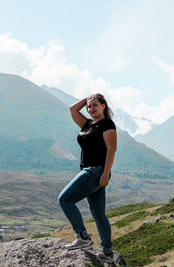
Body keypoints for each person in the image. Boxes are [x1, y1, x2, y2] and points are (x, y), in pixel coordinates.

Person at [58, 93, 117, 263]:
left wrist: (105, 174)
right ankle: (107, 252)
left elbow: (111, 150)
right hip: (92, 171)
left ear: (103, 106)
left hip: (96, 171)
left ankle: (82, 236)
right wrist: (88, 98)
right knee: (98, 214)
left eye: (95, 105)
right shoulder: (88, 124)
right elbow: (72, 109)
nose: (91, 109)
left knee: (65, 199)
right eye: (89, 106)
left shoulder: (107, 124)